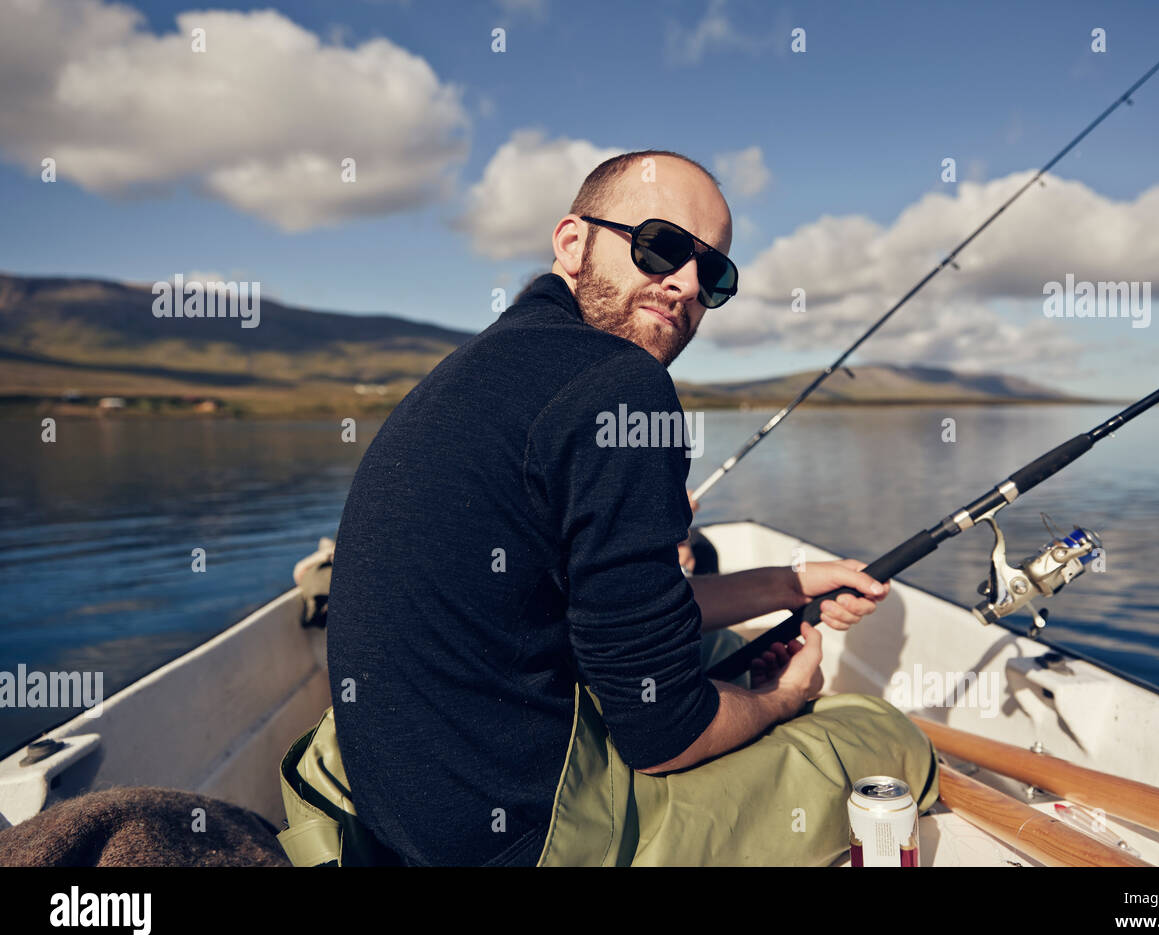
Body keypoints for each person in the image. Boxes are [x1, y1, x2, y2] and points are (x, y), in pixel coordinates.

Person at [310, 150, 938, 867]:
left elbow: (614, 616)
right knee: (881, 733)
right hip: (529, 838)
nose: (685, 284)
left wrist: (788, 585)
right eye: (661, 246)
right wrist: (784, 702)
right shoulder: (622, 386)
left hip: (411, 816)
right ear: (572, 242)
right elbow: (666, 735)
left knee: (729, 653)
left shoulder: (485, 367)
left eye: (714, 273)